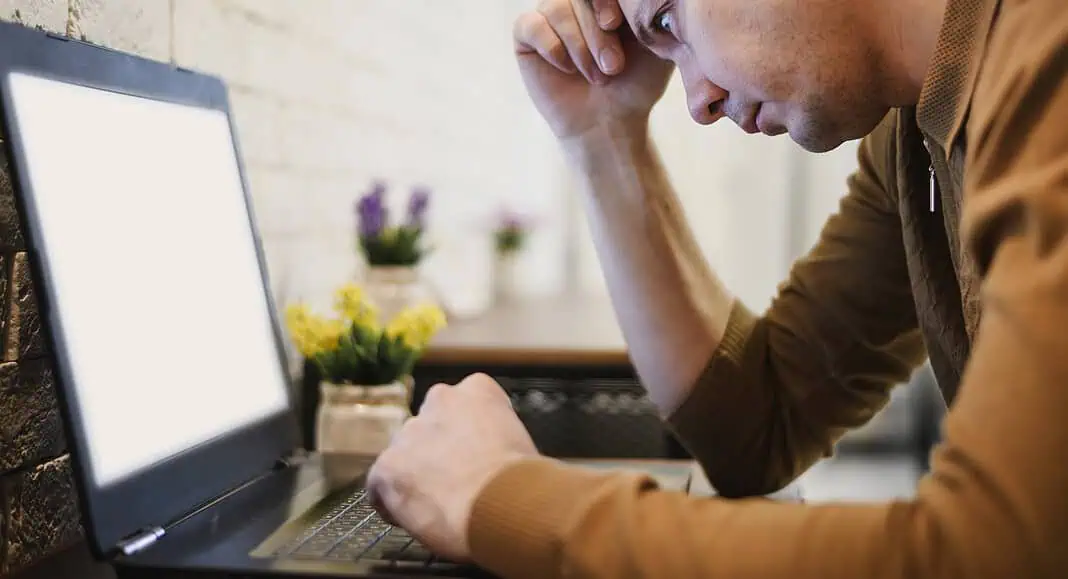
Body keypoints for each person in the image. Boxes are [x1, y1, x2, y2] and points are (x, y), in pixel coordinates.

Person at [367, 0, 1068, 576]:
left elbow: (992, 554)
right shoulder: (913, 139)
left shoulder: (1048, 53)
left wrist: (500, 500)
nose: (697, 101)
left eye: (667, 20)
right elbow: (762, 423)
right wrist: (602, 135)